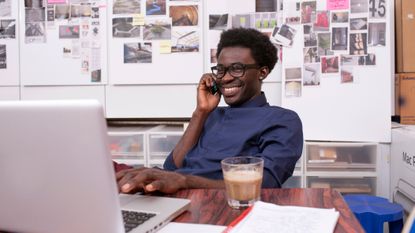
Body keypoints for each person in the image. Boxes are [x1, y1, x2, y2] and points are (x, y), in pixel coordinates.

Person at [116, 28, 303, 194]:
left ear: (262, 72)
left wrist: (184, 181)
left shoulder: (282, 120)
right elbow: (173, 167)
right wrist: (201, 111)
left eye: (237, 69)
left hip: (219, 205)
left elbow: (265, 184)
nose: (225, 78)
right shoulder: (211, 115)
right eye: (220, 70)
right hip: (177, 197)